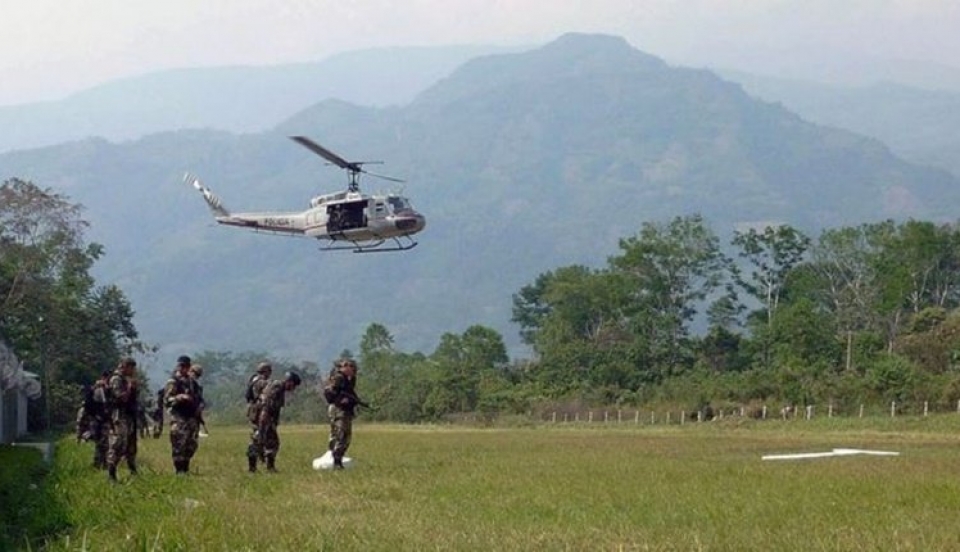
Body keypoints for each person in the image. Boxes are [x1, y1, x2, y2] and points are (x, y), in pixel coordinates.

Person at [247, 371, 301, 473]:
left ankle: (254, 468)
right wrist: (264, 423)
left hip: (263, 419)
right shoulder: (277, 387)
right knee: (269, 442)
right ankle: (266, 467)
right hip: (264, 419)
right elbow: (266, 405)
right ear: (289, 382)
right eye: (293, 385)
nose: (292, 389)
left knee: (259, 441)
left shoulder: (278, 387)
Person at [164, 355, 202, 474]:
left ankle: (186, 467)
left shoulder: (192, 382)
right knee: (179, 442)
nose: (183, 368)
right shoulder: (173, 381)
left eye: (185, 366)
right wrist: (178, 397)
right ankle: (179, 470)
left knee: (191, 444)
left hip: (191, 416)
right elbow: (167, 399)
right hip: (179, 415)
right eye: (181, 366)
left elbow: (198, 397)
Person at [322, 358, 363, 470]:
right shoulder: (339, 378)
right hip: (339, 409)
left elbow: (351, 393)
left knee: (344, 436)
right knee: (341, 435)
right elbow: (329, 393)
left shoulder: (348, 379)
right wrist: (340, 400)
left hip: (345, 410)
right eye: (351, 367)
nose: (353, 370)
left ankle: (337, 459)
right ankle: (336, 461)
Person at [106, 358, 140, 481]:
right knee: (118, 445)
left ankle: (133, 471)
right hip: (119, 415)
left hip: (129, 415)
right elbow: (121, 398)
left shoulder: (126, 379)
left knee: (131, 445)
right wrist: (130, 388)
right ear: (125, 366)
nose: (133, 371)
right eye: (131, 368)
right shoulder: (116, 379)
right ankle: (111, 475)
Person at [76, 370, 111, 469]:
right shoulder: (96, 390)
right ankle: (99, 463)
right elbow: (89, 404)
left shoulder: (109, 389)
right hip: (97, 419)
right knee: (100, 442)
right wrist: (95, 416)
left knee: (105, 443)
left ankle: (102, 463)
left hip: (105, 419)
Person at [245, 361, 273, 468]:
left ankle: (253, 465)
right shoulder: (262, 382)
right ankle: (264, 465)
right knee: (263, 438)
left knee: (256, 437)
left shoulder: (253, 380)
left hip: (253, 412)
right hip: (260, 412)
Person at [188, 364, 207, 438]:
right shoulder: (183, 383)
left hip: (194, 414)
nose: (196, 377)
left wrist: (201, 406)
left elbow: (200, 399)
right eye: (195, 374)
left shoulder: (196, 386)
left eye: (198, 375)